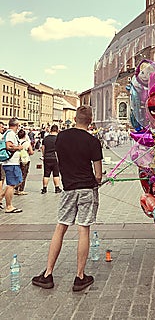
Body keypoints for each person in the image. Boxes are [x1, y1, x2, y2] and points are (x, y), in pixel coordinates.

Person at [32, 105, 103, 292]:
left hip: (68, 188)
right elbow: (98, 175)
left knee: (60, 227)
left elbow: (60, 159)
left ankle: (48, 274)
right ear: (90, 120)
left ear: (75, 118)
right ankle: (80, 277)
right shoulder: (93, 141)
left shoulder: (61, 137)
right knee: (83, 230)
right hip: (87, 189)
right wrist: (99, 179)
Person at [0, 118, 24, 213]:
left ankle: (1, 197)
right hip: (11, 162)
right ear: (16, 125)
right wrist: (19, 147)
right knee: (11, 184)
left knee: (16, 181)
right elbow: (9, 146)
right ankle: (9, 206)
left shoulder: (8, 133)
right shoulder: (10, 133)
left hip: (11, 162)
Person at [41, 124, 62, 194]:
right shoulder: (58, 139)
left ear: (51, 130)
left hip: (47, 157)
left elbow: (43, 148)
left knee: (46, 174)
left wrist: (44, 155)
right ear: (57, 130)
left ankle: (44, 188)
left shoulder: (46, 138)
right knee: (56, 174)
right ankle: (57, 188)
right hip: (55, 158)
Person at [14, 128, 34, 195]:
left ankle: (16, 189)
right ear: (25, 136)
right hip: (25, 160)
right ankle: (21, 189)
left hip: (17, 159)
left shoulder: (16, 142)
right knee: (24, 174)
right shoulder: (27, 143)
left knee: (17, 174)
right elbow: (31, 152)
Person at [0, 121, 6, 209]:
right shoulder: (1, 137)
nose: (3, 128)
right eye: (1, 127)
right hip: (1, 160)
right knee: (1, 178)